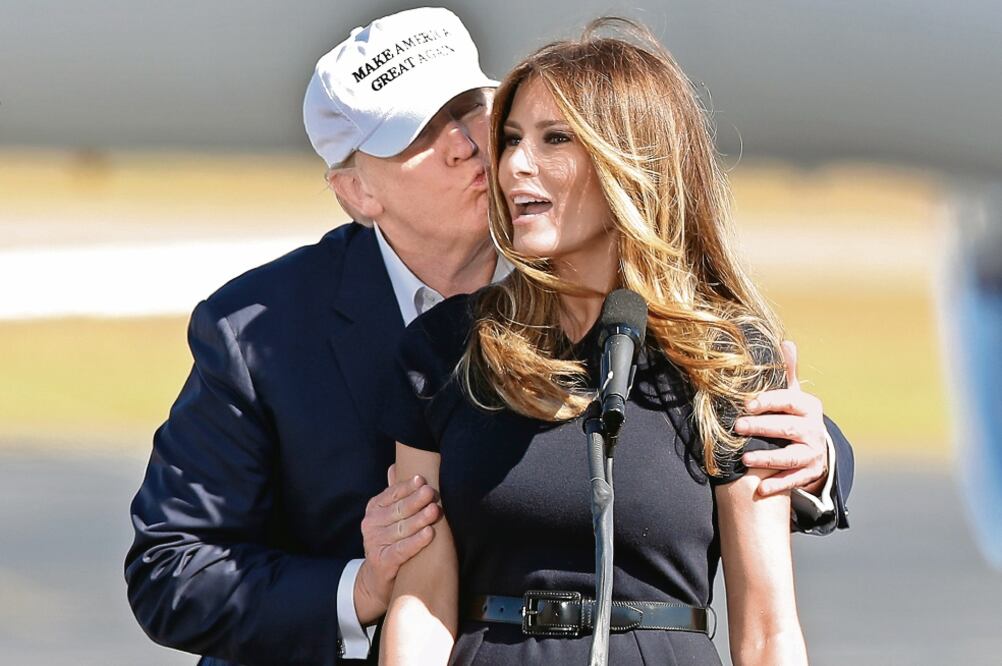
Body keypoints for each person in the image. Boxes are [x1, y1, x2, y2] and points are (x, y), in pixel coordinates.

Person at [125, 8, 851, 665]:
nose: (469, 146)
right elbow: (171, 569)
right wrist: (361, 588)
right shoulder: (258, 331)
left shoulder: (581, 254)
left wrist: (813, 460)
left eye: (473, 110)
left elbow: (711, 415)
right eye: (418, 133)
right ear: (358, 193)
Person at [380, 19, 827, 665]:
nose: (514, 165)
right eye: (509, 140)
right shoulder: (447, 346)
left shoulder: (726, 356)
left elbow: (767, 628)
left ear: (632, 160)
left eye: (554, 138)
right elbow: (421, 602)